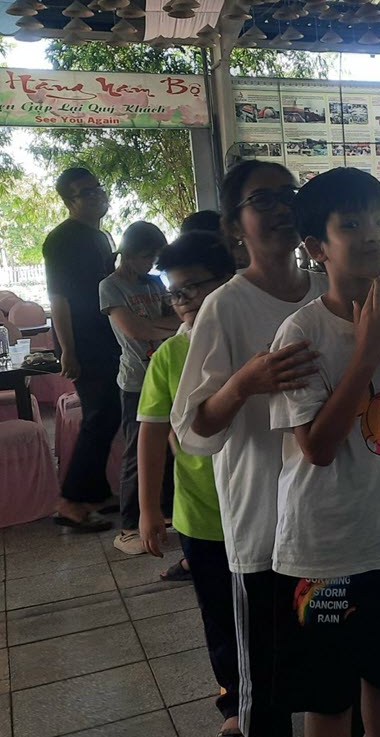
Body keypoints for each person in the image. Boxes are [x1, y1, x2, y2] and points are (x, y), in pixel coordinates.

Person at [269, 167, 380, 737]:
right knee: (329, 700)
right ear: (315, 247)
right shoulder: (300, 333)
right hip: (325, 550)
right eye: (351, 224)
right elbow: (317, 448)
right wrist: (369, 350)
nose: (373, 233)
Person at [171, 160, 328, 737]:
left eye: (290, 194)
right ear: (235, 225)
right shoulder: (225, 306)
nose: (282, 207)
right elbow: (191, 428)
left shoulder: (330, 292)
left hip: (330, 518)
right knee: (265, 681)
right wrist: (244, 383)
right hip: (262, 518)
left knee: (332, 669)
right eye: (263, 200)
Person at [136, 231, 241, 735]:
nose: (184, 302)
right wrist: (148, 510)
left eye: (193, 288)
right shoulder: (169, 356)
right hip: (202, 514)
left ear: (228, 281)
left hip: (268, 508)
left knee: (278, 608)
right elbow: (151, 434)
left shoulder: (257, 338)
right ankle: (234, 703)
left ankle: (285, 689)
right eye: (175, 293)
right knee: (219, 616)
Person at [44, 167, 121, 532]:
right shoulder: (61, 239)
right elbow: (58, 298)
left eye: (97, 188)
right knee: (100, 416)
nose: (96, 196)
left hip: (106, 337)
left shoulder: (100, 236)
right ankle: (70, 501)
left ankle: (95, 494)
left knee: (105, 413)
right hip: (82, 341)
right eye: (86, 193)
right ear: (69, 201)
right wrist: (67, 350)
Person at [100, 221, 180, 555]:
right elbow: (134, 330)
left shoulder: (155, 282)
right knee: (137, 453)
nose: (151, 264)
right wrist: (163, 328)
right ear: (129, 253)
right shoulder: (110, 286)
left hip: (166, 375)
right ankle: (129, 525)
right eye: (147, 257)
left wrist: (156, 326)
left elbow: (180, 320)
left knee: (170, 448)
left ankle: (165, 512)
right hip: (135, 381)